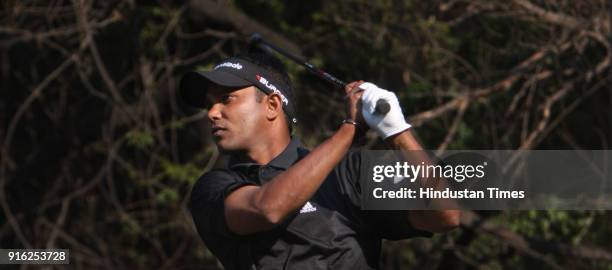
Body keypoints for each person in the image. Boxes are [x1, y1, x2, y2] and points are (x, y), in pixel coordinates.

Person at [181, 48, 460, 270]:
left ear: (272, 105)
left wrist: (398, 132)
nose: (212, 113)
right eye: (209, 105)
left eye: (226, 99)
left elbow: (444, 215)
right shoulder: (214, 188)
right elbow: (269, 208)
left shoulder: (349, 172)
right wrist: (349, 128)